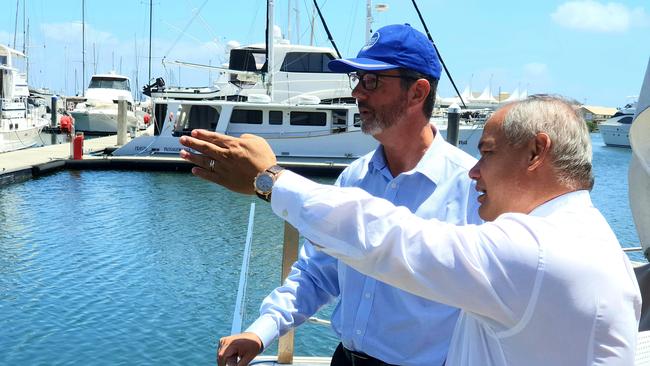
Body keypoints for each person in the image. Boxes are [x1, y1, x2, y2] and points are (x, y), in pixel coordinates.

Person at [179, 94, 642, 365]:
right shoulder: (590, 238)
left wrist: (269, 180)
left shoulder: (537, 251)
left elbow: (393, 241)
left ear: (537, 152)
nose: (476, 172)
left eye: (488, 152)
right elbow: (325, 269)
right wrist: (264, 328)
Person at [209, 23, 481, 366]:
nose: (357, 93)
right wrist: (261, 332)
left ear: (417, 92)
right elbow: (318, 272)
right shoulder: (354, 176)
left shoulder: (471, 189)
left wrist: (268, 180)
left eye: (371, 81)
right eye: (357, 80)